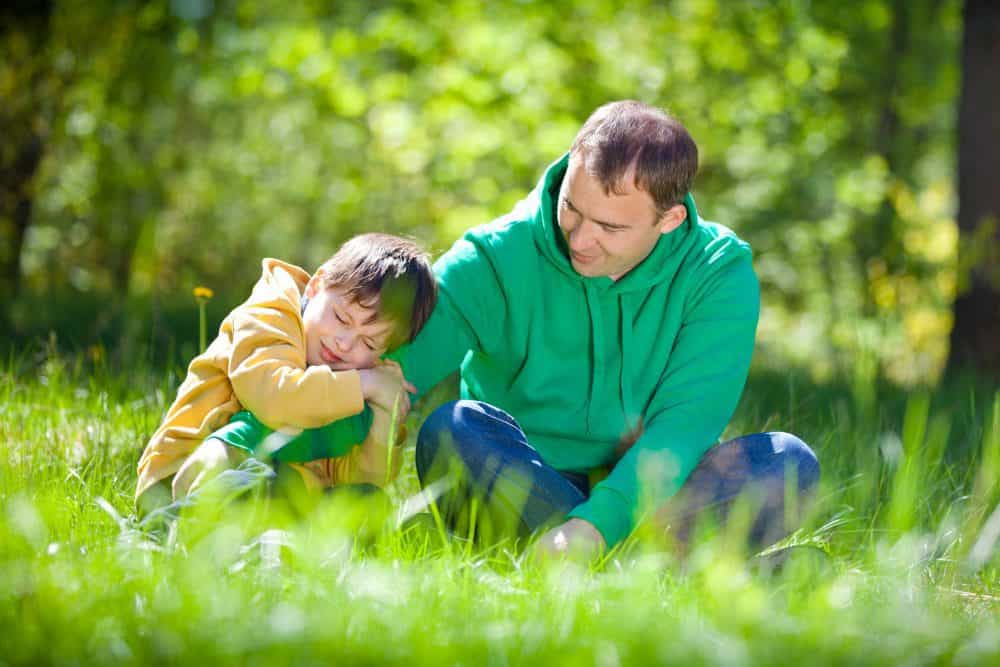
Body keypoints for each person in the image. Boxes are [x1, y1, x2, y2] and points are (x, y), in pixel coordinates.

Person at [394, 101, 820, 559]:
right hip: (527, 475)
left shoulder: (717, 273)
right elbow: (392, 369)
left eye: (609, 227)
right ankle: (647, 567)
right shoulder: (493, 257)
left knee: (787, 463)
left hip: (653, 491)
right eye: (572, 208)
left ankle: (583, 556)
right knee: (453, 430)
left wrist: (596, 526)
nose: (579, 239)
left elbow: (682, 427)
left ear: (669, 219)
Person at [135, 233, 437, 514]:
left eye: (369, 342)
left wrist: (385, 411)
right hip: (188, 474)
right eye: (341, 318)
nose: (344, 343)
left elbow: (359, 476)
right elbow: (277, 400)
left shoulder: (357, 373)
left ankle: (276, 547)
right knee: (258, 482)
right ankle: (171, 527)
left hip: (284, 486)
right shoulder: (271, 314)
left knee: (370, 502)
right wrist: (366, 384)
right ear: (316, 286)